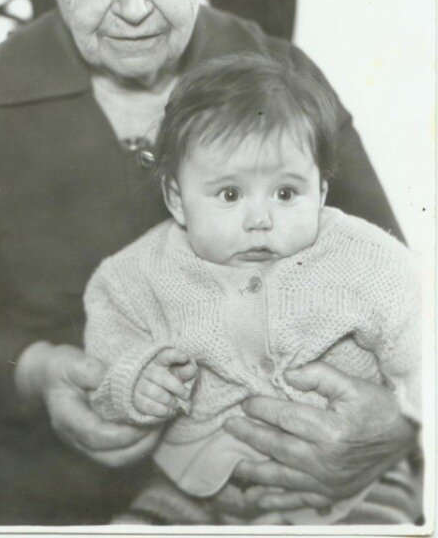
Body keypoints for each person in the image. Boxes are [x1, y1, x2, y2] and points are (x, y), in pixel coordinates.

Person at [0, 0, 418, 526]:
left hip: (296, 470)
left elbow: (396, 281)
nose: (133, 6)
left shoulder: (280, 77)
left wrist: (396, 424)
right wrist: (38, 371)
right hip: (40, 465)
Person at [83, 52, 421, 526]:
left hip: (355, 486)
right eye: (229, 194)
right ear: (177, 199)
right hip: (198, 482)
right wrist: (135, 379)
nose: (260, 219)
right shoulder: (140, 272)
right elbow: (110, 340)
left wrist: (413, 413)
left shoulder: (365, 259)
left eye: (286, 193)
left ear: (321, 192)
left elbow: (419, 333)